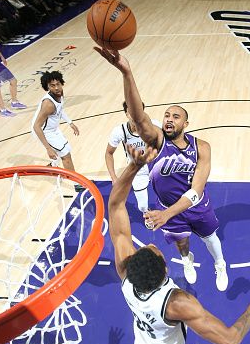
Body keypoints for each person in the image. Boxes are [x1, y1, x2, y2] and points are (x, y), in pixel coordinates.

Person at [108, 143, 250, 344]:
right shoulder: (177, 303)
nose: (152, 243)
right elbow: (230, 340)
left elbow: (115, 204)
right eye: (155, 249)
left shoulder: (126, 275)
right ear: (166, 270)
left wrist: (135, 166)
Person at [96, 47, 229, 291]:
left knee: (211, 239)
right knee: (182, 243)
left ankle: (220, 264)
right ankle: (188, 261)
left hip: (197, 207)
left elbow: (196, 191)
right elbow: (138, 118)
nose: (169, 118)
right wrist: (127, 73)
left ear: (186, 123)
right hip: (168, 209)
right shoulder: (157, 140)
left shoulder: (202, 147)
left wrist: (167, 214)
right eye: (166, 115)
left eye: (176, 116)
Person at [105, 101, 161, 213]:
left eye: (138, 112)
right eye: (131, 112)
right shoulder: (119, 132)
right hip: (137, 169)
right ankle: (147, 215)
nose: (134, 115)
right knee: (143, 206)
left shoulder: (155, 125)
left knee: (171, 193)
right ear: (126, 114)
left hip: (157, 165)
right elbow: (109, 154)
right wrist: (114, 177)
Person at [31, 70, 82, 190]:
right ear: (47, 87)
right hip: (43, 132)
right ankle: (76, 184)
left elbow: (60, 109)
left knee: (64, 148)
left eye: (58, 84)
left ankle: (52, 167)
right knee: (66, 155)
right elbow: (36, 127)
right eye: (52, 86)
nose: (57, 87)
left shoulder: (60, 93)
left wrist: (70, 122)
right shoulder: (48, 104)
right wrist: (48, 148)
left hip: (53, 129)